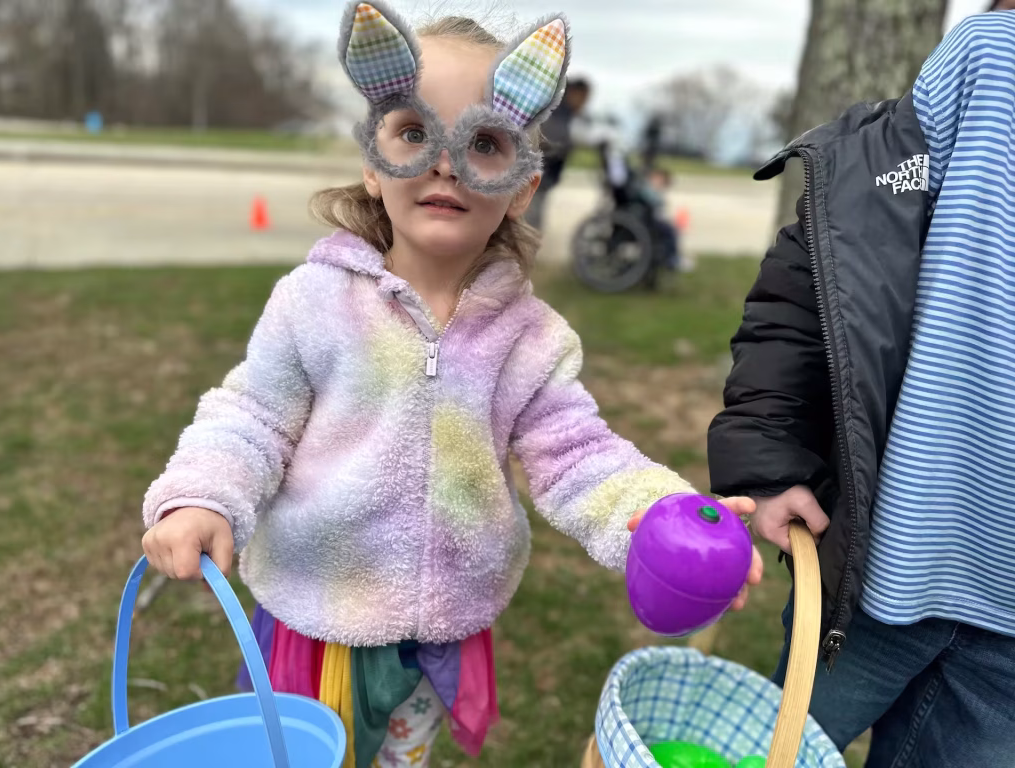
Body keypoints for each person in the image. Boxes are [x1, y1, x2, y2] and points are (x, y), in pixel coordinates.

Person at [138, 3, 761, 767]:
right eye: (413, 133)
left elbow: (578, 456)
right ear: (373, 163)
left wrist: (656, 513)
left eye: (485, 144)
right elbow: (252, 416)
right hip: (316, 620)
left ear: (524, 185)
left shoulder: (532, 340)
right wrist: (201, 492)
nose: (443, 163)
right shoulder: (312, 303)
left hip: (441, 635)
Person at [707, 11, 1015, 767]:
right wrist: (773, 460)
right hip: (885, 575)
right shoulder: (990, 60)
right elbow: (830, 263)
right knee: (770, 755)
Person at [522, 76, 591, 231]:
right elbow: (549, 136)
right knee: (530, 215)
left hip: (546, 175)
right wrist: (564, 145)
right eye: (584, 97)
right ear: (575, 93)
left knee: (534, 212)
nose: (584, 103)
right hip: (538, 173)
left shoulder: (566, 113)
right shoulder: (556, 109)